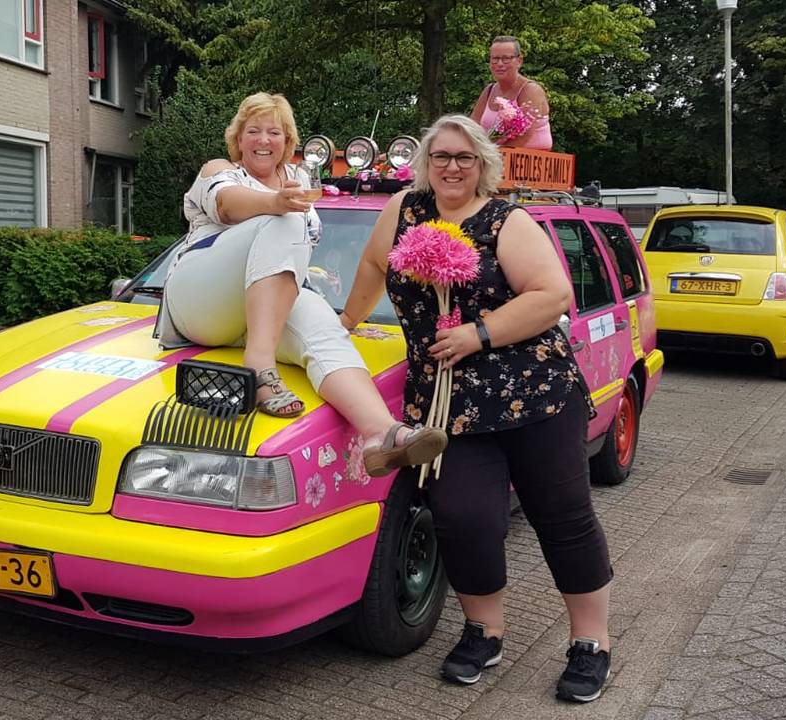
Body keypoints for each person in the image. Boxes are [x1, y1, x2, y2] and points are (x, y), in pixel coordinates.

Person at [339, 115, 613, 701]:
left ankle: (590, 642)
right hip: (448, 407)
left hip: (533, 395)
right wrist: (341, 327)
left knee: (562, 518)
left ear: (483, 162)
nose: (452, 167)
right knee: (463, 520)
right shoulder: (405, 211)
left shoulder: (505, 220)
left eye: (464, 157)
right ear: (426, 162)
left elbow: (552, 295)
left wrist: (478, 334)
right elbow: (370, 267)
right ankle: (484, 631)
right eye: (442, 156)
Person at [157, 92, 446, 475]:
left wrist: (346, 315)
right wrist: (276, 202)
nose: (263, 140)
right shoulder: (219, 170)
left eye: (273, 132)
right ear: (237, 139)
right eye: (253, 131)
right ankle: (260, 366)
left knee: (325, 330)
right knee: (286, 219)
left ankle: (382, 435)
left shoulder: (297, 180)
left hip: (261, 311)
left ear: (287, 142)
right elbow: (226, 203)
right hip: (200, 301)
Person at [469, 36, 553, 150]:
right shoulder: (489, 90)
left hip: (530, 161)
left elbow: (524, 135)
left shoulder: (531, 90)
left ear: (519, 61)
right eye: (495, 58)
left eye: (506, 59)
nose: (499, 64)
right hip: (493, 158)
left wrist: (489, 155)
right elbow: (471, 127)